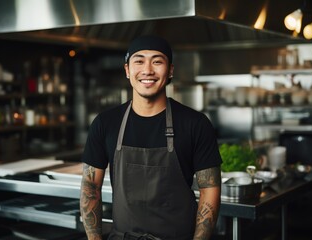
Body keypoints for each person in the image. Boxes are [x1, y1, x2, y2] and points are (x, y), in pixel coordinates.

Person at [80, 35, 222, 240]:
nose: (147, 70)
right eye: (139, 61)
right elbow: (90, 187)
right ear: (127, 70)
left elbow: (209, 188)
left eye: (157, 61)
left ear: (170, 70)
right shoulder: (105, 123)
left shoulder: (196, 124)